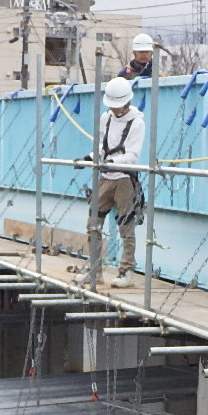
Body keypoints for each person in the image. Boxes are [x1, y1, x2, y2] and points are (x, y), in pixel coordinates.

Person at [83, 75, 146, 289]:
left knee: (126, 227)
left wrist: (113, 162)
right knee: (93, 223)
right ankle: (94, 271)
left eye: (117, 105)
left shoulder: (137, 123)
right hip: (106, 177)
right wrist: (91, 157)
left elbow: (133, 156)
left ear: (127, 102)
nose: (114, 109)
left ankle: (126, 271)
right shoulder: (106, 118)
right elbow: (103, 147)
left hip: (124, 179)